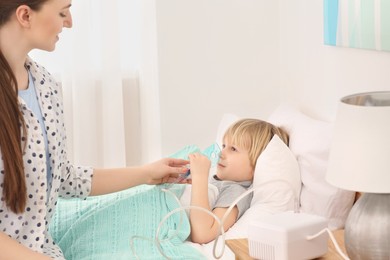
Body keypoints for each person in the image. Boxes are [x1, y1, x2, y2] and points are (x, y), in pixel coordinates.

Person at [0, 1, 189, 259]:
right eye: (62, 12)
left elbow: (63, 178)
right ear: (25, 15)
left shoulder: (45, 85)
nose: (69, 22)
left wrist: (146, 173)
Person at [188, 118, 289, 244]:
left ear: (256, 163)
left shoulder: (235, 191)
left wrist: (199, 177)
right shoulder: (216, 180)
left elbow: (203, 234)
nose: (221, 153)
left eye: (233, 149)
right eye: (224, 146)